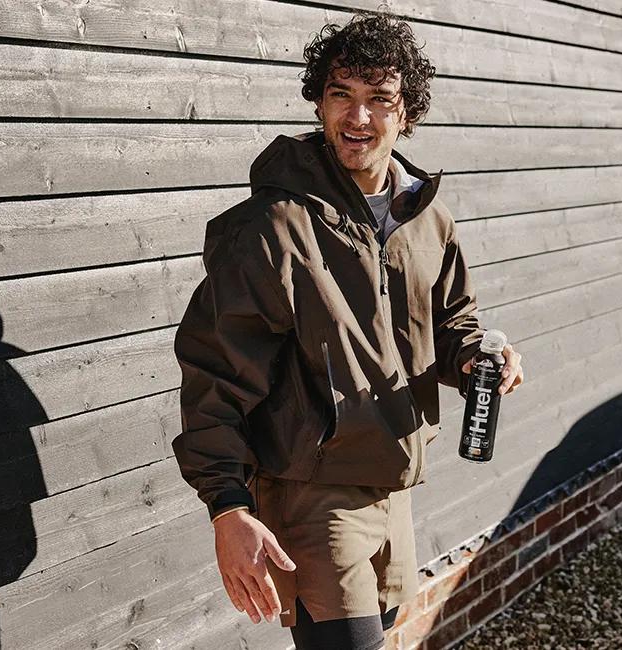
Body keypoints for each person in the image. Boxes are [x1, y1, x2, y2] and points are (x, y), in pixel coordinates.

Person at [172, 12, 524, 650]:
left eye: (379, 99)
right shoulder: (271, 227)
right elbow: (215, 372)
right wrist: (228, 506)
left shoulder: (427, 218)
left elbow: (451, 322)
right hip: (312, 491)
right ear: (319, 102)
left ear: (406, 113)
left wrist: (475, 357)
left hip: (396, 481)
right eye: (342, 94)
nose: (358, 117)